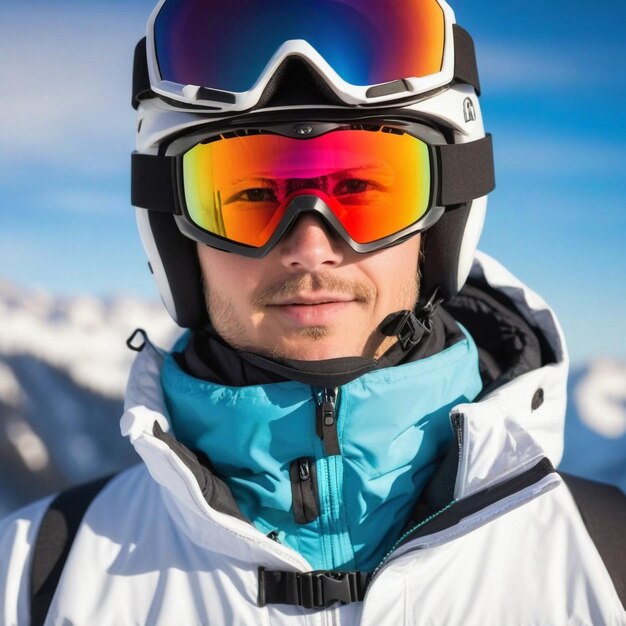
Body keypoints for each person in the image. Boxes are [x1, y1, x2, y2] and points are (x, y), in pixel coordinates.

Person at [1, 0, 625, 624]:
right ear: (175, 234)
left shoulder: (610, 560)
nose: (309, 248)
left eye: (360, 190)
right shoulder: (34, 576)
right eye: (247, 196)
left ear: (441, 223)